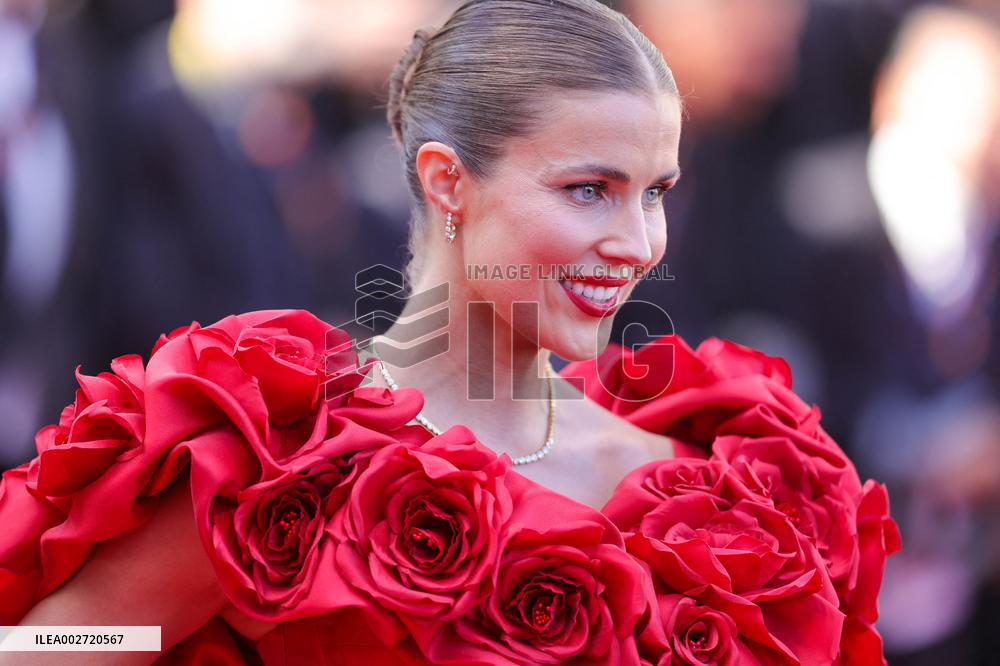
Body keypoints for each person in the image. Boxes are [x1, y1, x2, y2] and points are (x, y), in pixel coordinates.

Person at [0, 1, 899, 664]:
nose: (635, 244)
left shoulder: (715, 471)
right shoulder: (279, 462)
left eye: (653, 191)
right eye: (588, 189)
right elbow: (52, 649)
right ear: (446, 182)